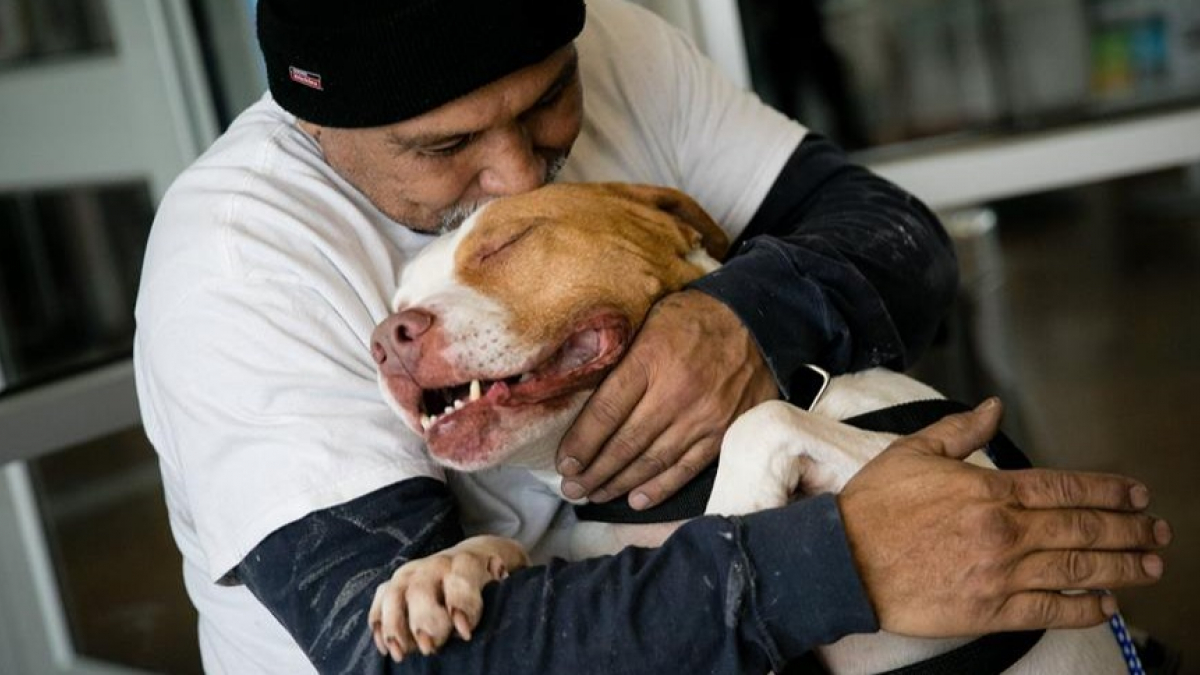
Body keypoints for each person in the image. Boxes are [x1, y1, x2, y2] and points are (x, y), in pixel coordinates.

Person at [133, 0, 1170, 673]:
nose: (520, 176)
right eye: (446, 147)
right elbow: (418, 663)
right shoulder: (239, 261)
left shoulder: (616, 43)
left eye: (547, 105)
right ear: (314, 129)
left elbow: (898, 240)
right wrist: (838, 563)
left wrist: (743, 313)